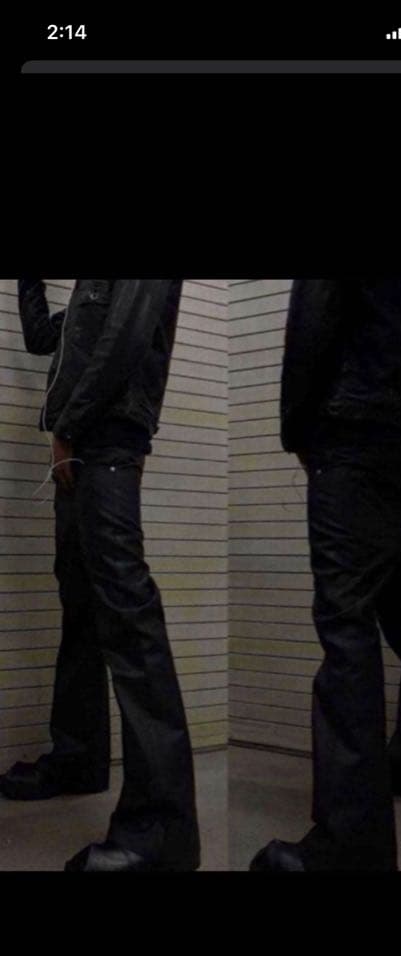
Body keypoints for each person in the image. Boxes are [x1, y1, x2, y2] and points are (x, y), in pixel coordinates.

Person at [250, 279, 401, 873]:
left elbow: (314, 317)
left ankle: (351, 843)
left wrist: (295, 428)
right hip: (400, 426)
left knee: (346, 619)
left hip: (349, 422)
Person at [0, 279, 200, 873]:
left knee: (130, 620)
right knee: (83, 609)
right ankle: (78, 758)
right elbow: (43, 337)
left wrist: (68, 427)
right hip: (83, 448)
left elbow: (127, 338)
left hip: (104, 443)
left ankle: (161, 828)